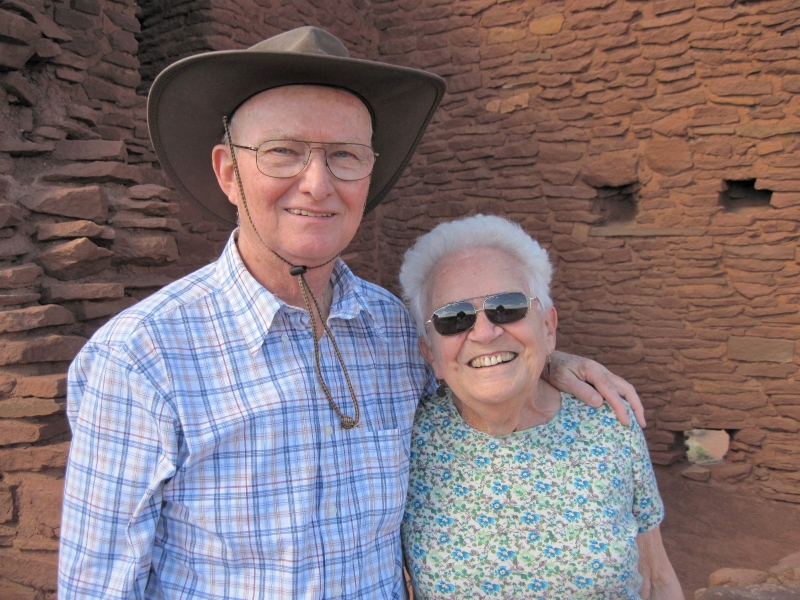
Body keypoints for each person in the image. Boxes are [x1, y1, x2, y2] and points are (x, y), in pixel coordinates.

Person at [59, 27, 644, 599]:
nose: (317, 184)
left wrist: (545, 358)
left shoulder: (394, 329)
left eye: (344, 156)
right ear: (230, 173)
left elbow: (477, 369)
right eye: (283, 153)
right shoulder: (139, 360)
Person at [399, 215, 683, 599]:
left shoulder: (606, 420)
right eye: (454, 318)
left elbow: (656, 577)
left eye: (507, 307)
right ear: (429, 353)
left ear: (548, 328)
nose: (484, 333)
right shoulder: (409, 440)